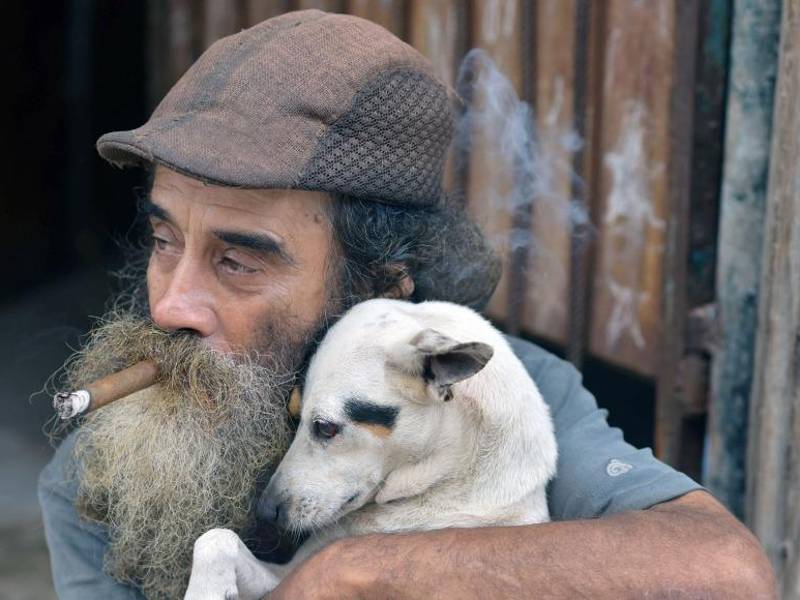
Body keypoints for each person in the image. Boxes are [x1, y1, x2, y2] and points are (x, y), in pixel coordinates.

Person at [38, 9, 775, 600]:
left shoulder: (489, 394)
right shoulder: (115, 470)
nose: (170, 306)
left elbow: (725, 572)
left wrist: (360, 573)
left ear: (379, 288)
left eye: (237, 260)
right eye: (165, 241)